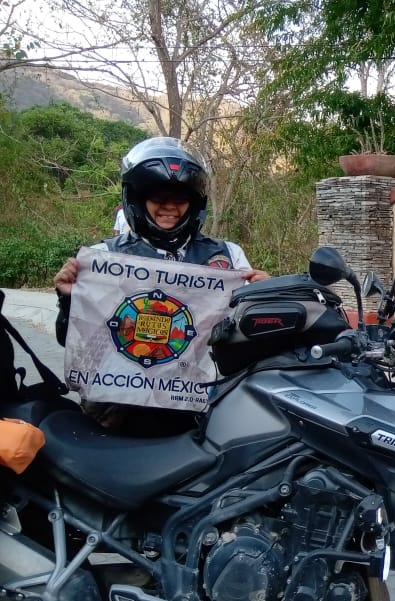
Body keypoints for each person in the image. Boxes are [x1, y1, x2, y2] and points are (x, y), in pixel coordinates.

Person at [53, 136, 270, 434]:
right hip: (116, 408)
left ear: (194, 204)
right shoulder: (103, 256)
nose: (170, 207)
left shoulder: (228, 257)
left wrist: (263, 297)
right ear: (137, 199)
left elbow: (245, 337)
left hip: (198, 409)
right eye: (158, 197)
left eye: (180, 199)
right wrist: (69, 301)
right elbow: (71, 341)